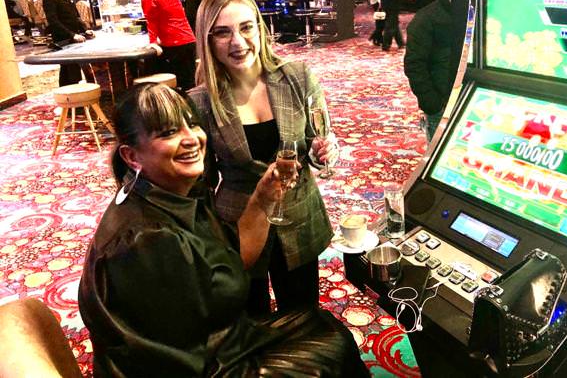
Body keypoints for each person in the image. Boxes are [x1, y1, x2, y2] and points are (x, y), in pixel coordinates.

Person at [78, 83, 368, 377]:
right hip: (192, 365)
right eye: (168, 133)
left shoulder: (178, 192)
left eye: (192, 124)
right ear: (131, 156)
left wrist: (264, 196)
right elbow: (175, 358)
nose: (191, 139)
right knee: (331, 353)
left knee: (325, 328)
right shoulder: (147, 240)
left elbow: (234, 256)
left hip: (212, 341)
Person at [189, 0, 338, 317]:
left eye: (246, 27)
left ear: (260, 27)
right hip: (240, 224)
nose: (238, 42)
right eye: (222, 33)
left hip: (299, 215)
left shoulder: (298, 77)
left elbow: (322, 140)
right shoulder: (199, 102)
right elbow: (201, 183)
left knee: (301, 318)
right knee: (250, 322)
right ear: (208, 40)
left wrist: (323, 153)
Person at [404, 0, 457, 141]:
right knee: (443, 149)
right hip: (441, 103)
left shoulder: (480, 14)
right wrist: (432, 104)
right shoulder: (426, 19)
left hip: (475, 98)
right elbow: (414, 65)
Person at [139, 0, 197, 90]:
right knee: (190, 82)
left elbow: (151, 20)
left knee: (178, 83)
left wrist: (153, 42)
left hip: (175, 44)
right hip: (189, 40)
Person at [43, 0, 95, 86]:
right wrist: (72, 35)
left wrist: (86, 30)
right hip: (62, 38)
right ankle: (73, 94)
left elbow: (76, 16)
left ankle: (67, 94)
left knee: (69, 69)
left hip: (73, 37)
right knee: (71, 70)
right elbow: (53, 21)